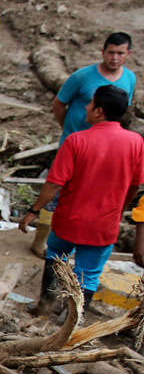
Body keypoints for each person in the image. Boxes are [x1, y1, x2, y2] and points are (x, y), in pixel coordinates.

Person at [17, 86, 144, 316]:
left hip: (70, 220)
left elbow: (54, 183)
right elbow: (135, 185)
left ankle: (44, 306)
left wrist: (33, 210)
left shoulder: (76, 140)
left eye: (89, 103)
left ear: (98, 111)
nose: (85, 107)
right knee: (89, 274)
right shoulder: (136, 142)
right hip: (104, 225)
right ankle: (70, 322)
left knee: (56, 257)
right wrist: (120, 209)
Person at [33, 33, 137, 255]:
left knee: (91, 196)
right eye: (110, 52)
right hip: (75, 146)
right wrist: (68, 130)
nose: (115, 58)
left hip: (106, 151)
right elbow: (59, 104)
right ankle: (42, 240)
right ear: (102, 51)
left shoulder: (129, 79)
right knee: (57, 191)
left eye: (120, 53)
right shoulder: (81, 77)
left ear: (129, 55)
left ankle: (76, 244)